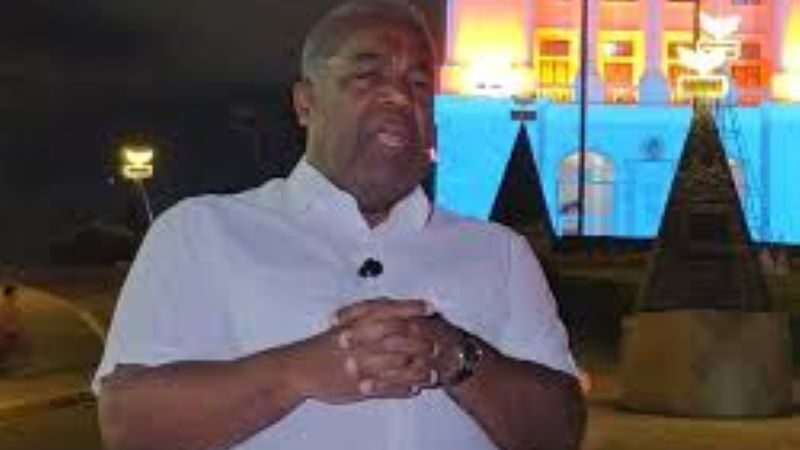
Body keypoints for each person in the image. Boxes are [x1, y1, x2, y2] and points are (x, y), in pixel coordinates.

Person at [94, 1, 586, 449]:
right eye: (367, 76)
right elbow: (128, 425)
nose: (398, 96)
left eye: (419, 84)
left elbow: (560, 432)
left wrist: (457, 357)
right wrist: (298, 371)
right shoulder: (200, 232)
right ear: (305, 102)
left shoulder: (500, 253)